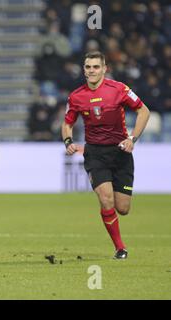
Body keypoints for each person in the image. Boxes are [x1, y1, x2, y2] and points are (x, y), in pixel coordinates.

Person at [61, 51, 150, 259]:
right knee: (106, 199)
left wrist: (132, 139)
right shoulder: (76, 96)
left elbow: (143, 111)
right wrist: (68, 141)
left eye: (95, 67)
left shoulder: (119, 89)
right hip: (95, 154)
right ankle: (120, 248)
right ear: (84, 70)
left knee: (123, 208)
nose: (91, 71)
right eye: (88, 67)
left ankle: (119, 241)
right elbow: (67, 123)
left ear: (104, 69)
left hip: (121, 152)